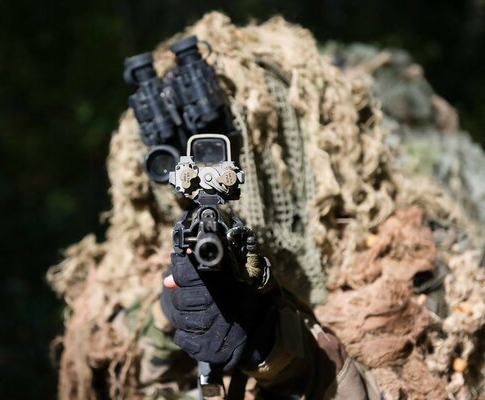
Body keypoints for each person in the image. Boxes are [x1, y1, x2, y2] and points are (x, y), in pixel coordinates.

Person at [47, 12, 485, 400]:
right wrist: (166, 323)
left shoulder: (409, 269)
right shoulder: (124, 283)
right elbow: (107, 377)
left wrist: (282, 353)